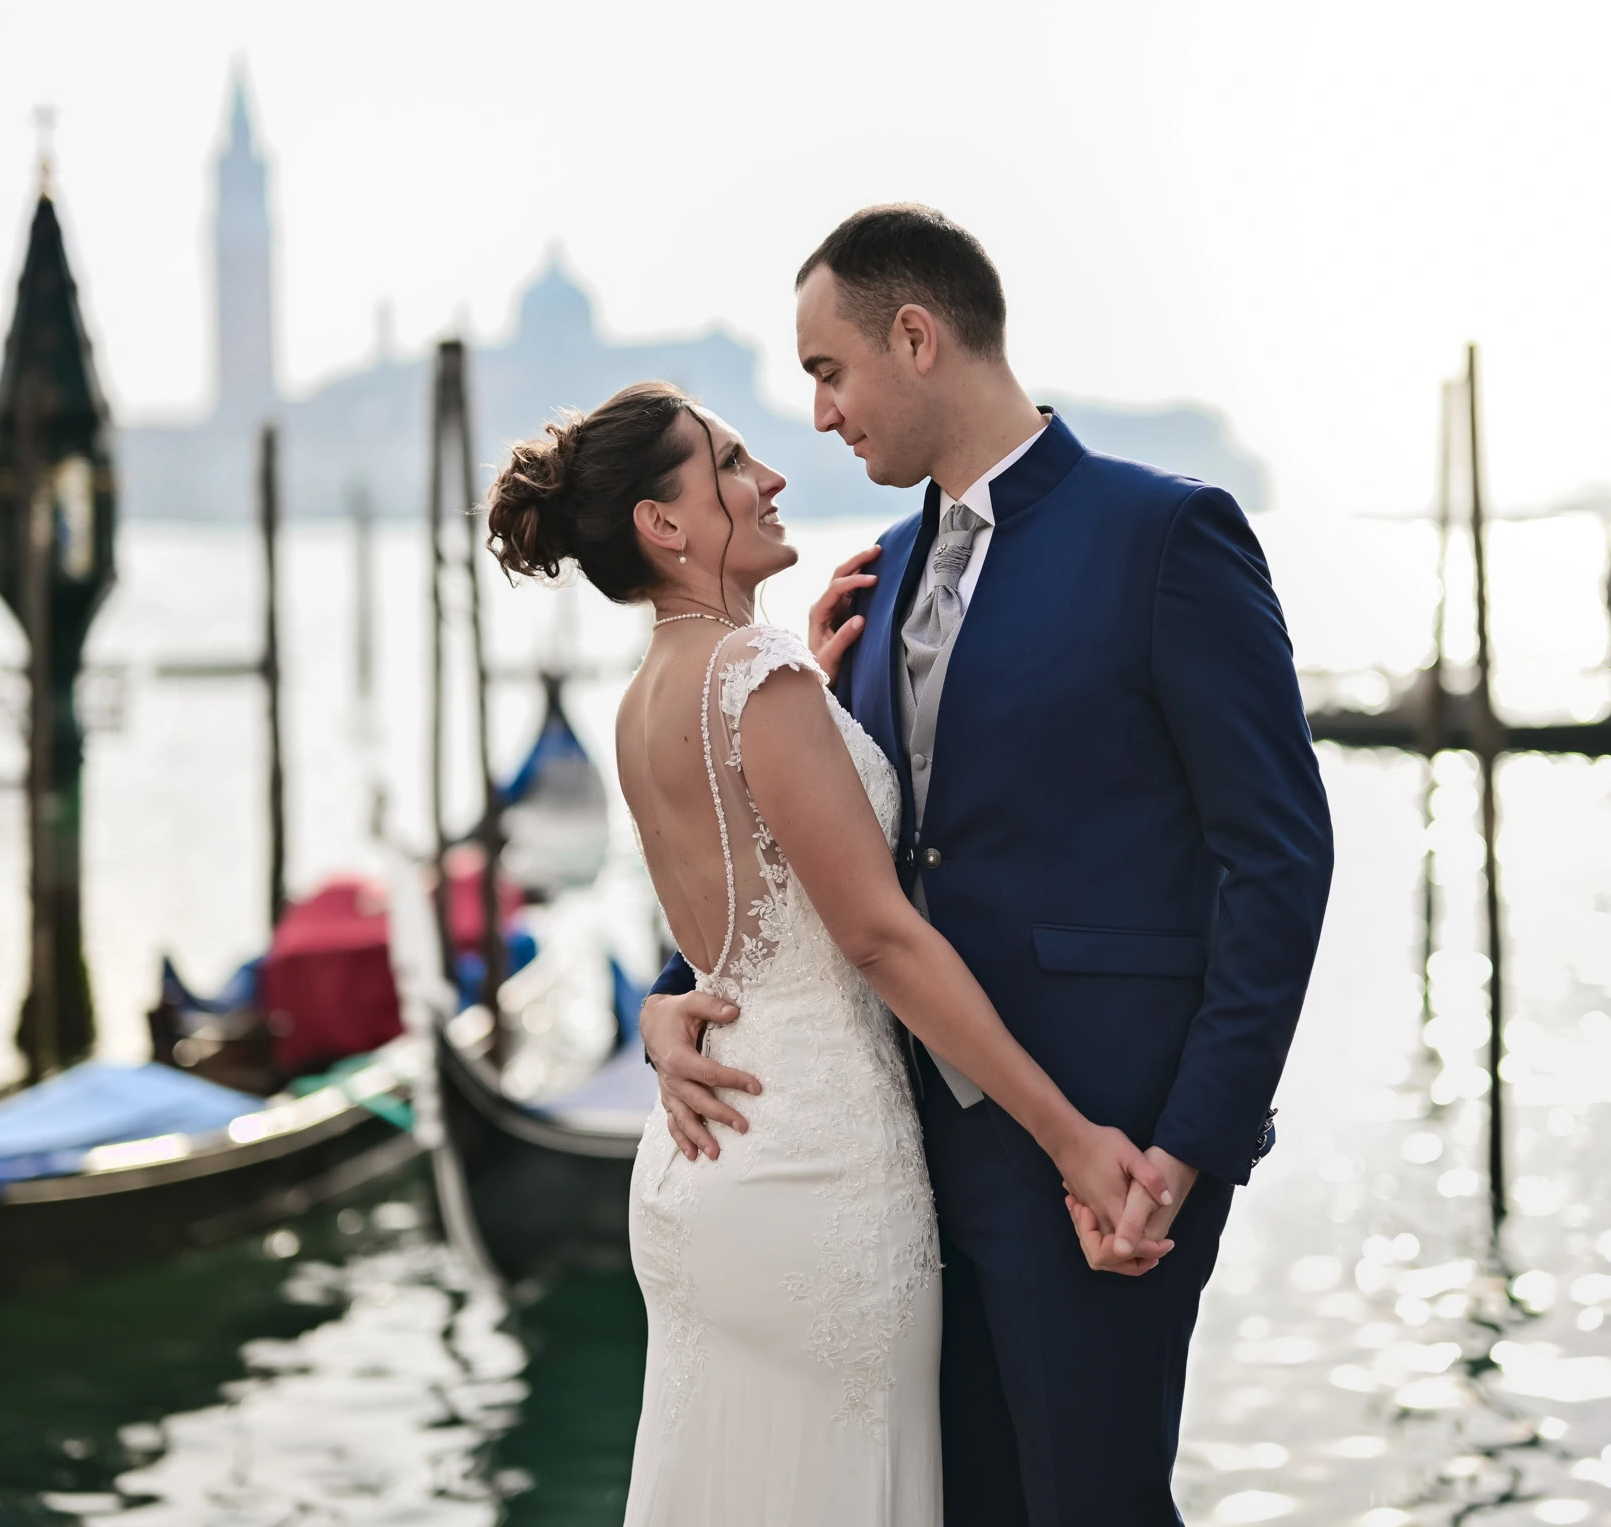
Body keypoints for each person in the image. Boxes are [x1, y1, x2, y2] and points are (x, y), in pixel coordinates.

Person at [641, 205, 1334, 1524]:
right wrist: (676, 992)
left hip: (1106, 1152)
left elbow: (1280, 859)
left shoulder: (1167, 536)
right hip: (897, 1157)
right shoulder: (880, 575)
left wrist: (1188, 1148)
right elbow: (829, 853)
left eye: (828, 371)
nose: (822, 416)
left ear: (916, 338)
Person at [485, 381, 1174, 1527]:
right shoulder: (761, 686)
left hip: (699, 1173)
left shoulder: (654, 692)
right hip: (817, 1181)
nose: (772, 479)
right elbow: (878, 936)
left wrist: (812, 693)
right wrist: (1071, 1138)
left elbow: (733, 906)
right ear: (666, 524)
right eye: (735, 462)